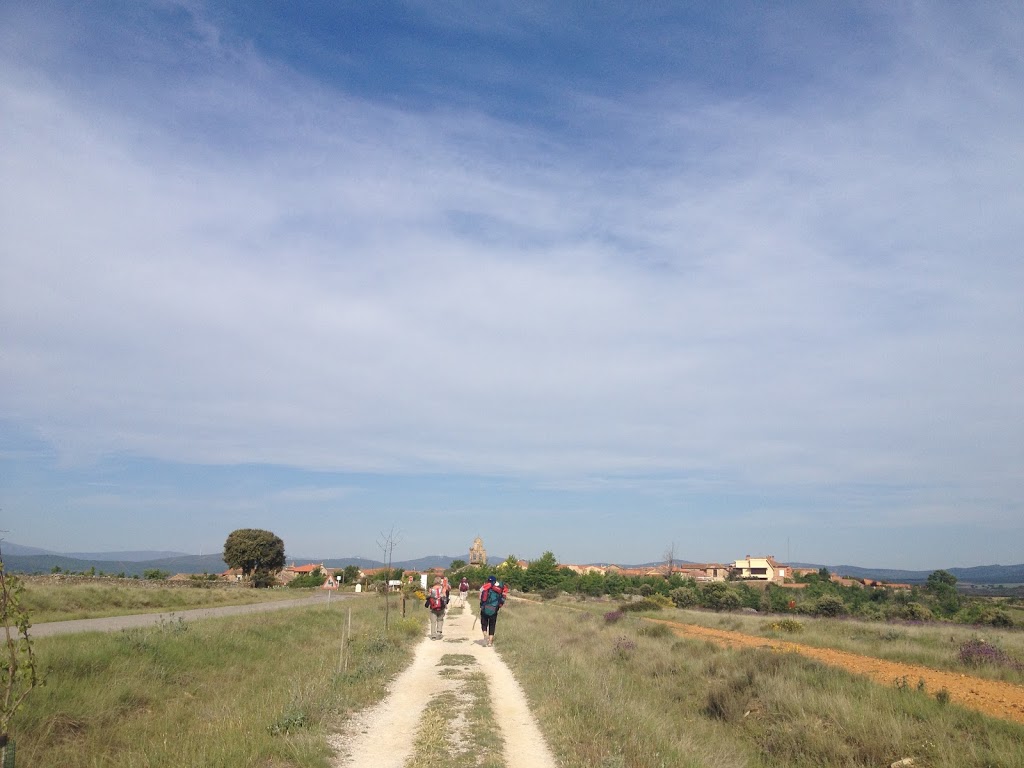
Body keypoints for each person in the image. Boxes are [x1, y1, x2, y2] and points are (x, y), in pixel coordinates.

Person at [479, 575, 507, 647]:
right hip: (494, 609)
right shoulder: (500, 587)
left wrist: (481, 605)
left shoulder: (485, 586)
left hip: (485, 608)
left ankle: (485, 636)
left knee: (484, 624)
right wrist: (499, 606)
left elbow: (480, 596)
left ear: (488, 580)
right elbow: (503, 597)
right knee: (492, 625)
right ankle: (490, 642)